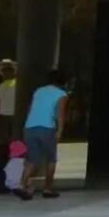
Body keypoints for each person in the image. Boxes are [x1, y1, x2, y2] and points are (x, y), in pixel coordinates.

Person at [15, 69, 68, 200]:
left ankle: (21, 184)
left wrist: (26, 125)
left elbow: (30, 108)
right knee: (51, 159)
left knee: (31, 159)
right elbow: (60, 114)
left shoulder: (38, 91)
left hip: (30, 127)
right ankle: (48, 188)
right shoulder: (61, 94)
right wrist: (60, 130)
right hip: (47, 127)